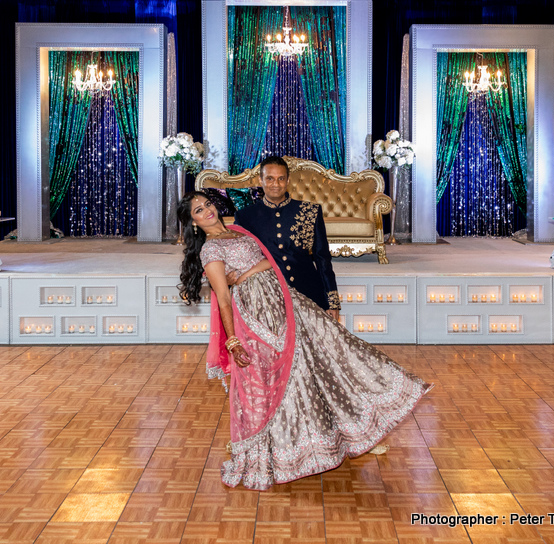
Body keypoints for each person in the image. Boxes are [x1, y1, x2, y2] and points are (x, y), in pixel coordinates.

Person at [178, 191, 432, 491]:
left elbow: (270, 262)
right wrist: (232, 340)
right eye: (198, 210)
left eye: (207, 205)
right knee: (277, 379)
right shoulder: (210, 251)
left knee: (334, 349)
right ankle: (285, 449)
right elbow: (223, 296)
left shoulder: (237, 230)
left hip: (287, 302)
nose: (207, 211)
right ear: (193, 222)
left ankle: (356, 427)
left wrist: (246, 272)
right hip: (258, 314)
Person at [234, 156, 340, 320]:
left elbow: (322, 258)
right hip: (267, 296)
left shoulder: (310, 211)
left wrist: (332, 302)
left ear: (288, 180)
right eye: (270, 178)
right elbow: (239, 257)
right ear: (260, 180)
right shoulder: (245, 216)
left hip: (308, 291)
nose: (275, 184)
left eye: (280, 179)